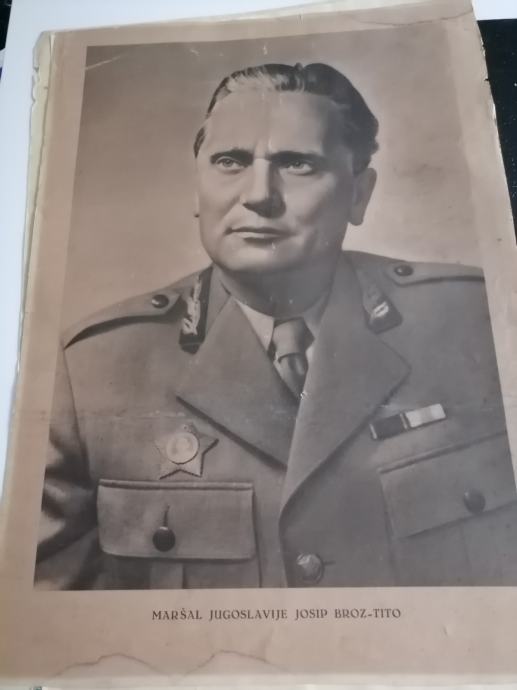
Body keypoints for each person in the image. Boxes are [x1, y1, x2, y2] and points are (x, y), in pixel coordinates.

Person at [35, 62, 517, 590]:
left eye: (297, 164)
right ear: (198, 189)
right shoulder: (90, 372)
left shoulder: (479, 323)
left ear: (359, 194)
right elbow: (59, 613)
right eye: (230, 161)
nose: (259, 194)